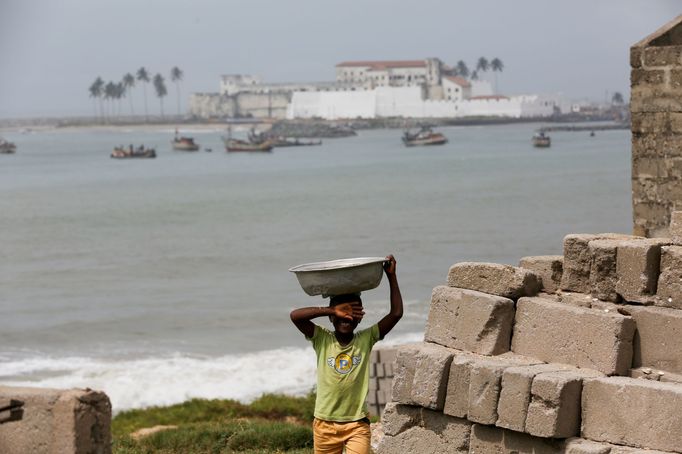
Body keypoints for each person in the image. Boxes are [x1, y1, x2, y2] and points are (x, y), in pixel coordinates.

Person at [290, 255, 403, 454]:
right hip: (324, 424)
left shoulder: (365, 339)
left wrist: (391, 277)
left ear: (360, 318)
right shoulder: (322, 339)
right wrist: (331, 310)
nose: (347, 317)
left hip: (356, 425)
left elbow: (396, 314)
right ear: (332, 318)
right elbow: (295, 316)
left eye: (353, 313)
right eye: (342, 313)